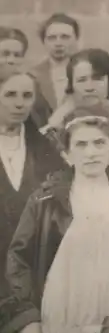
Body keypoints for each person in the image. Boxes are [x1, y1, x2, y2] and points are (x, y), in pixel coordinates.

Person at [3, 108, 109, 333]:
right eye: (81, 145)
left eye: (99, 143)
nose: (91, 152)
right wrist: (28, 318)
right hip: (58, 317)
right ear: (67, 152)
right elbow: (18, 260)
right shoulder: (46, 199)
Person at [0, 71, 65, 303]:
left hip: (34, 268)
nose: (19, 103)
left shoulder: (45, 148)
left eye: (27, 96)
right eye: (10, 94)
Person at [41, 48, 109, 171]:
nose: (89, 87)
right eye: (82, 80)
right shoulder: (56, 126)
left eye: (97, 78)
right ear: (71, 84)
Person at [0, 26, 52, 128]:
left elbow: (42, 122)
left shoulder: (30, 85)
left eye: (17, 55)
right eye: (5, 54)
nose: (11, 60)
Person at [31, 13, 80, 110]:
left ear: (76, 39)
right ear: (44, 41)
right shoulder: (33, 75)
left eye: (65, 37)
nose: (58, 43)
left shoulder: (87, 71)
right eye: (52, 38)